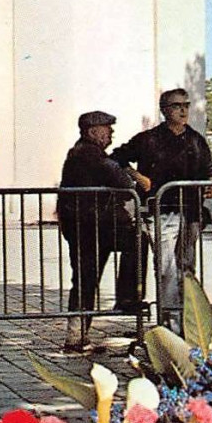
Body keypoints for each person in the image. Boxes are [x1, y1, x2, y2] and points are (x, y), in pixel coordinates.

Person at [112, 88, 212, 330]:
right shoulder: (148, 139)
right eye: (177, 106)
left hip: (190, 212)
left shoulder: (196, 140)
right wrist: (138, 177)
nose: (183, 111)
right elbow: (118, 157)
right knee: (168, 270)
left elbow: (208, 169)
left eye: (186, 105)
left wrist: (211, 184)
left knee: (187, 268)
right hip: (161, 212)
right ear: (165, 110)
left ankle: (190, 323)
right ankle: (171, 324)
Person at [57, 110, 143, 353]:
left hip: (87, 225)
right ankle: (125, 300)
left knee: (85, 279)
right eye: (107, 128)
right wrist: (130, 175)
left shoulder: (81, 153)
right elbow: (124, 183)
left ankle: (78, 335)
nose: (111, 132)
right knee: (87, 278)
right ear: (93, 132)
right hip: (92, 226)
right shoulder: (90, 155)